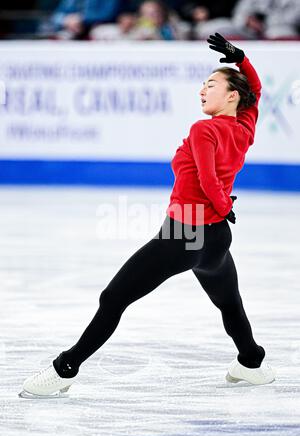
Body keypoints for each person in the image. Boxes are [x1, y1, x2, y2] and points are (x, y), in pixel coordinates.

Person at [19, 33, 276, 398]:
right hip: (216, 238)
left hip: (185, 233)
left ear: (232, 95)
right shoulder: (244, 127)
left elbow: (206, 179)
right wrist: (241, 58)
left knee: (113, 298)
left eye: (211, 84)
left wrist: (222, 205)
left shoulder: (205, 129)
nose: (202, 91)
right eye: (202, 85)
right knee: (229, 302)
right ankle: (251, 362)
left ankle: (64, 369)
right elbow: (257, 91)